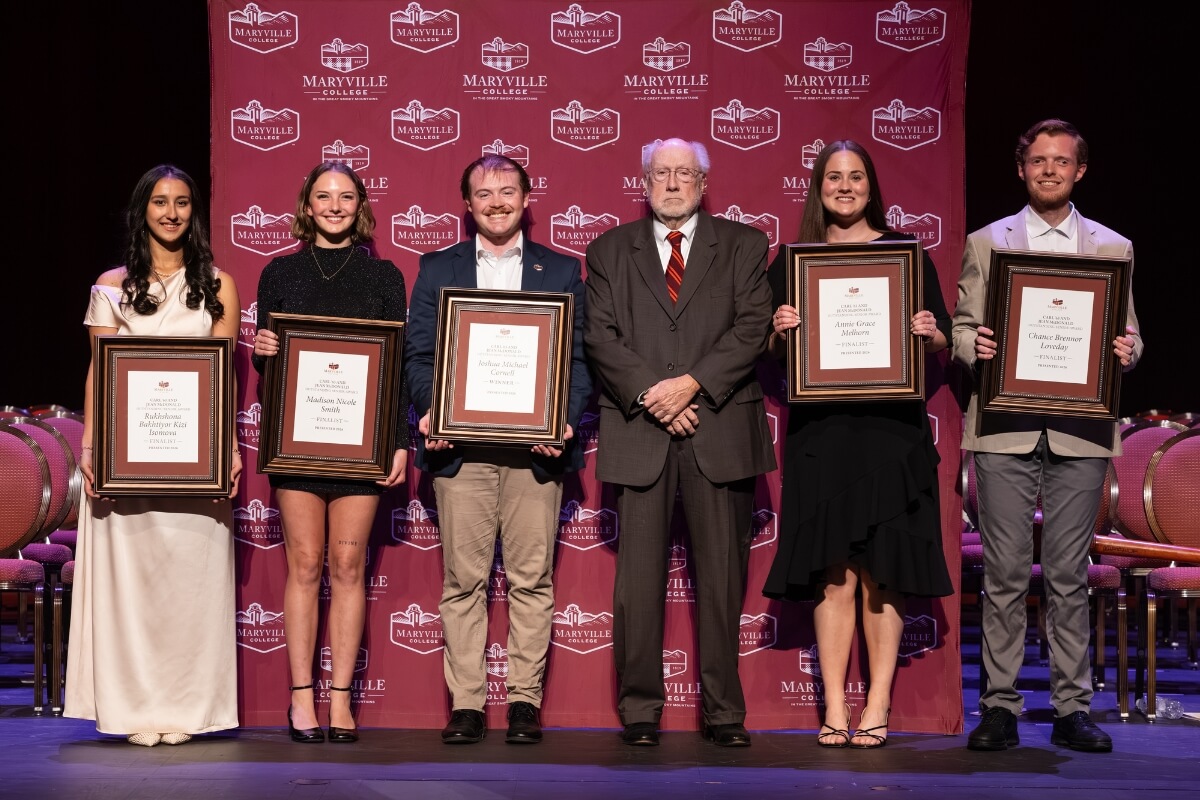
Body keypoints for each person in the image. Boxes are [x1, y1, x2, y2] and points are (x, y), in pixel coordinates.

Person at [952, 119, 1142, 754]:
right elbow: (960, 327)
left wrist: (1128, 348)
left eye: (1062, 161)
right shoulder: (986, 242)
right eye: (1039, 161)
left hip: (1080, 431)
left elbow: (1131, 334)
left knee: (1068, 574)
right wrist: (971, 344)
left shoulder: (1114, 248)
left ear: (1079, 170)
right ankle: (1000, 707)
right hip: (1004, 430)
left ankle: (1070, 708)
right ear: (1022, 168)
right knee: (1004, 574)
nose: (1050, 170)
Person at [760, 140, 954, 749]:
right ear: (818, 187)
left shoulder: (906, 255)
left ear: (872, 186)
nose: (845, 187)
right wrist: (778, 330)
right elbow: (765, 350)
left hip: (891, 436)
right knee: (833, 577)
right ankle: (834, 709)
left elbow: (942, 335)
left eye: (856, 177)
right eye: (834, 178)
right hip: (823, 433)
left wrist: (930, 333)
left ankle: (877, 705)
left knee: (883, 576)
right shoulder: (793, 262)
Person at [584, 137, 776, 748]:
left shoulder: (744, 245)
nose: (672, 183)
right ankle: (640, 711)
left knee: (722, 583)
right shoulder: (609, 250)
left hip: (718, 430)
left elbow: (753, 328)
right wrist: (653, 396)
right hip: (642, 431)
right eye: (661, 173)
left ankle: (724, 713)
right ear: (644, 182)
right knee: (636, 587)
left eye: (684, 173)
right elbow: (601, 336)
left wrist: (689, 386)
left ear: (703, 183)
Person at [405, 154, 592, 745]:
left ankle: (524, 703)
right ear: (467, 204)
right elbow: (418, 355)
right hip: (461, 449)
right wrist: (430, 410)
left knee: (532, 580)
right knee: (464, 580)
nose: (496, 202)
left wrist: (560, 419)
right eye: (483, 194)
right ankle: (466, 705)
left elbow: (579, 363)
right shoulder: (436, 268)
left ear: (528, 197)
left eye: (507, 191)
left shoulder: (562, 272)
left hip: (535, 452)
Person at [64, 164, 242, 746]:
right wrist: (91, 444)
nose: (171, 213)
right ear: (142, 210)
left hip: (197, 464)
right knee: (133, 584)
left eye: (183, 203)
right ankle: (134, 708)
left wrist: (231, 449)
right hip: (126, 461)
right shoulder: (111, 284)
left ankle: (189, 709)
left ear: (195, 212)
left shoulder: (218, 283)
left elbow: (224, 380)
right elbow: (100, 371)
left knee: (189, 584)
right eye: (160, 202)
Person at [252, 162, 409, 744]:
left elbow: (392, 368)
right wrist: (262, 349)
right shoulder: (280, 273)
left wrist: (398, 440)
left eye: (346, 196)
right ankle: (300, 699)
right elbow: (271, 364)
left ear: (361, 205)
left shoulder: (386, 277)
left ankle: (340, 699)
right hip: (296, 443)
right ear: (307, 204)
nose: (335, 205)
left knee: (347, 568)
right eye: (324, 196)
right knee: (304, 565)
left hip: (361, 446)